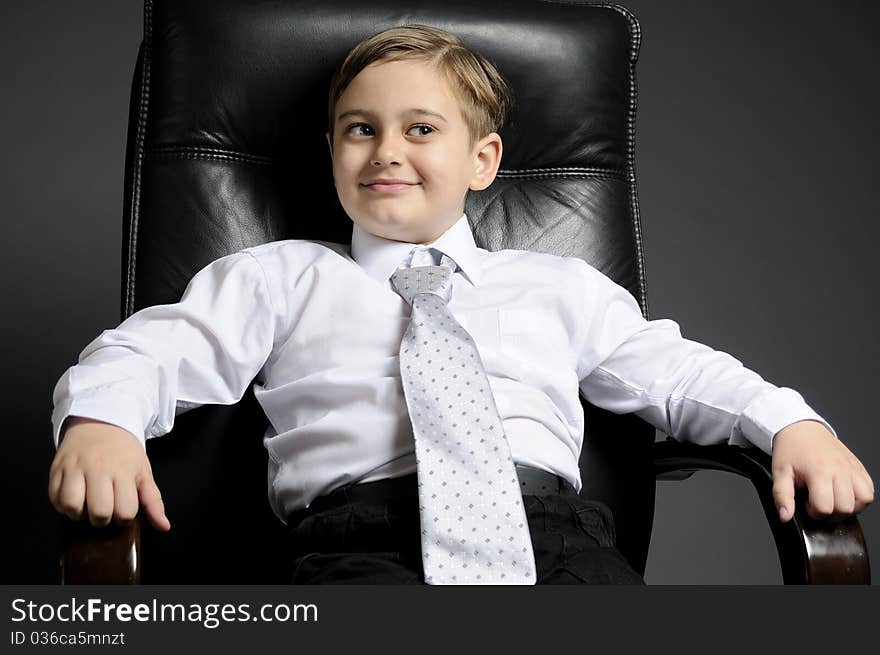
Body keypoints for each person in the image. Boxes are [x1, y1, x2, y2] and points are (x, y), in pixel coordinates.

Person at [49, 24, 873, 584]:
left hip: (556, 539)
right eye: (359, 129)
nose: (387, 152)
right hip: (359, 541)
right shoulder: (279, 276)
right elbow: (152, 349)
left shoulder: (559, 287)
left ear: (485, 160)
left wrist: (789, 422)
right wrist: (102, 421)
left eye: (421, 129)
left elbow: (679, 374)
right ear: (331, 151)